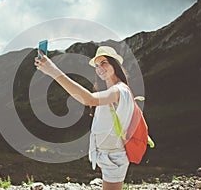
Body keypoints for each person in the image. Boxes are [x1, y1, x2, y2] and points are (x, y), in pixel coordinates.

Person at [34, 46, 134, 190]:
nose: (100, 68)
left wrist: (53, 71)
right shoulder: (112, 90)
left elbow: (89, 99)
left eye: (104, 62)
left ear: (115, 65)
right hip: (108, 155)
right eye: (97, 65)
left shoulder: (119, 90)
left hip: (114, 156)